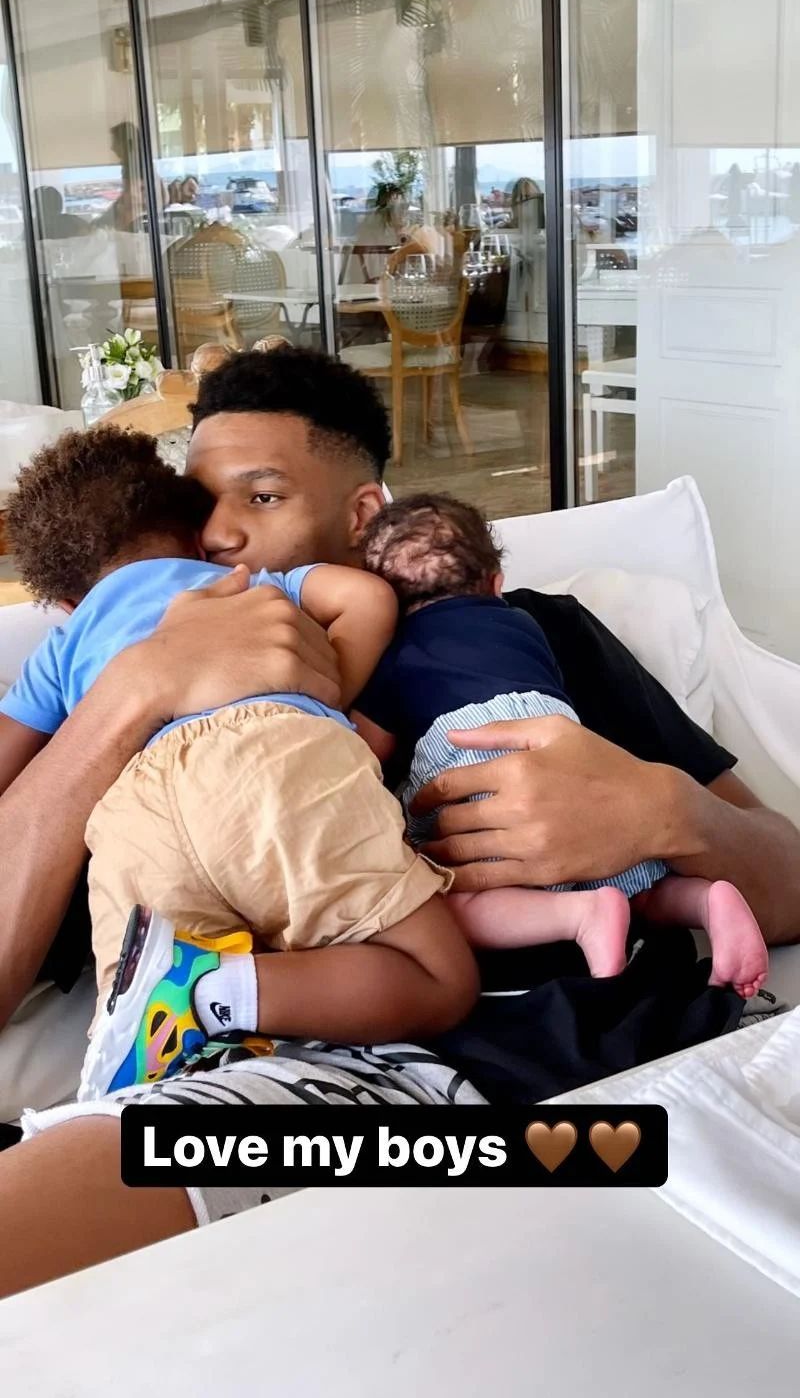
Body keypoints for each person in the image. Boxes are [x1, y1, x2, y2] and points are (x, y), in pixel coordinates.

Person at [0, 345, 798, 1298]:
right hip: (326, 1101)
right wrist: (135, 691)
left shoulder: (525, 632)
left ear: (360, 514)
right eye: (198, 505)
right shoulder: (122, 692)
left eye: (262, 496)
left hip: (663, 1062)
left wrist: (663, 810)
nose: (216, 535)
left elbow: (790, 880)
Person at [1, 426, 475, 1099]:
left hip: (130, 814)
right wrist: (324, 696)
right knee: (438, 977)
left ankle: (142, 1040)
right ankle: (211, 991)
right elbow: (367, 598)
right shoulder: (239, 583)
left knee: (136, 1007)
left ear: (68, 605)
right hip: (267, 758)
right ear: (197, 541)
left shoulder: (63, 645)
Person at [355, 494, 767, 995]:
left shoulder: (397, 649)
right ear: (495, 584)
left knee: (445, 898)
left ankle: (579, 914)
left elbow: (363, 750)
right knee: (636, 884)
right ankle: (706, 901)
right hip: (565, 743)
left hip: (467, 746)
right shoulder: (525, 623)